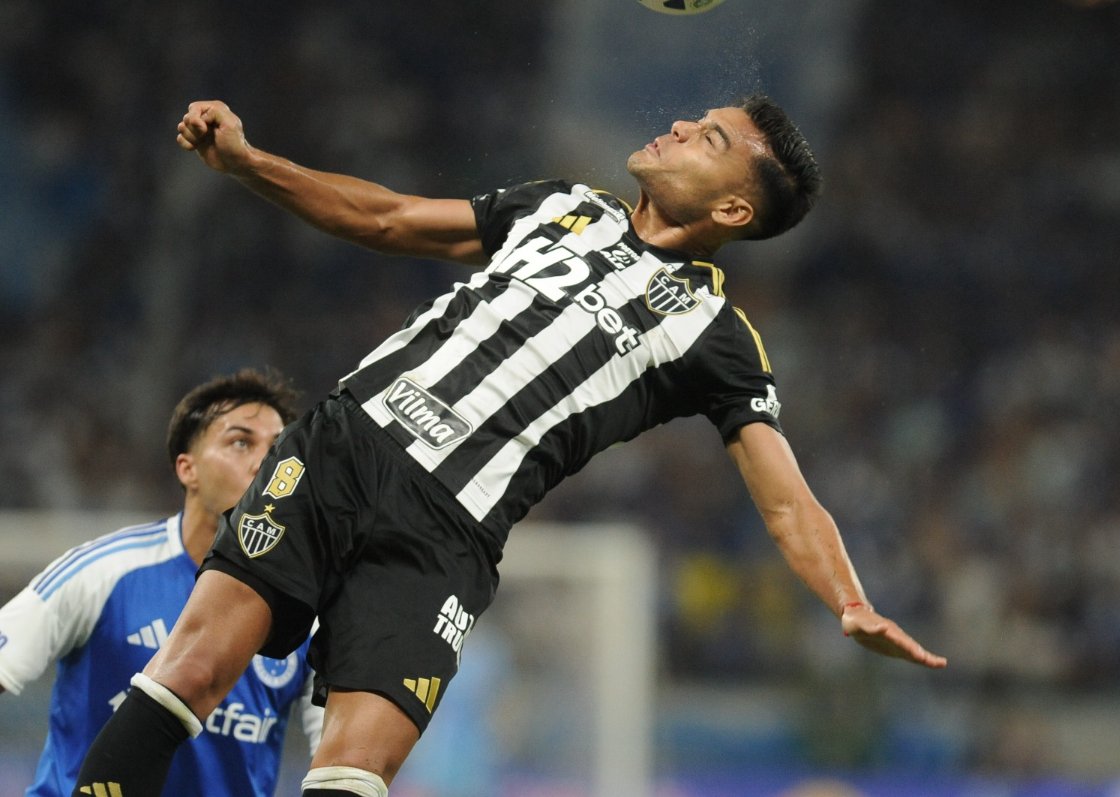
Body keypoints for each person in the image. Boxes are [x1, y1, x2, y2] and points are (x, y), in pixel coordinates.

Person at [74, 95, 947, 797]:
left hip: (447, 533)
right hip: (344, 449)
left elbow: (786, 496)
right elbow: (383, 218)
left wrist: (847, 600)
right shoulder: (559, 205)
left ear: (731, 205)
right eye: (694, 118)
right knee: (190, 669)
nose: (679, 125)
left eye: (709, 136)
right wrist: (248, 163)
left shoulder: (717, 336)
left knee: (352, 771)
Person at [0, 369, 323, 796]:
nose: (266, 461)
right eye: (241, 442)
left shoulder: (306, 611)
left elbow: (337, 756)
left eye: (278, 448)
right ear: (187, 469)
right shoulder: (105, 572)